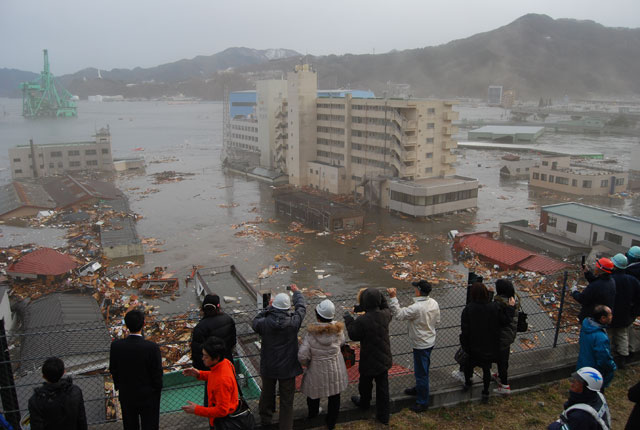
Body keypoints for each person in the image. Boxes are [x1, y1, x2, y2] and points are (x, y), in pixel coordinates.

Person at [252, 285, 306, 430]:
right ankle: (286, 426)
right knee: (287, 401)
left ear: (274, 307)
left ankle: (265, 420)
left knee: (267, 395)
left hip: (269, 366)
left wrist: (268, 308)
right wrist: (297, 292)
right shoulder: (294, 323)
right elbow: (301, 308)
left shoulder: (264, 324)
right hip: (288, 368)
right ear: (288, 308)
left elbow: (255, 321)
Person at [387, 280, 440, 413]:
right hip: (430, 340)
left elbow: (399, 315)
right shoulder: (434, 303)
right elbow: (437, 320)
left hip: (420, 344)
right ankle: (419, 388)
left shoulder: (417, 308)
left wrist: (393, 298)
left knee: (421, 372)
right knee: (424, 367)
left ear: (418, 291)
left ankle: (422, 402)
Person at [344, 287, 392, 425]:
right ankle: (383, 416)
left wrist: (348, 319)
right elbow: (385, 305)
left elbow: (353, 334)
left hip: (368, 358)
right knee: (383, 387)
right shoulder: (386, 315)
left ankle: (364, 402)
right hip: (384, 357)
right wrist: (379, 296)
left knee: (365, 384)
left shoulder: (362, 321)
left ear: (365, 302)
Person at [298, 299, 348, 430]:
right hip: (335, 367)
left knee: (313, 393)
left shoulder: (311, 334)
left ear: (317, 315)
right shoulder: (339, 331)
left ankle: (313, 415)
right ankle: (331, 423)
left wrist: (308, 363)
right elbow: (342, 342)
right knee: (335, 394)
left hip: (316, 368)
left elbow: (302, 355)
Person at [460, 282, 514, 403]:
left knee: (468, 365)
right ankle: (485, 392)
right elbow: (505, 321)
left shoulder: (468, 309)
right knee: (486, 369)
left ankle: (468, 383)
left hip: (473, 345)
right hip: (490, 345)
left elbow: (465, 330)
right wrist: (511, 308)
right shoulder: (494, 307)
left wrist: (464, 344)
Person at [109, 309, 163, 430]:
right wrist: (156, 390)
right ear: (144, 324)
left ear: (126, 325)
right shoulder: (152, 347)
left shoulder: (116, 346)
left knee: (130, 425)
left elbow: (113, 369)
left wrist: (120, 386)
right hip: (148, 394)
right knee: (150, 425)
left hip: (127, 393)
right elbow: (157, 373)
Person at [181, 336, 239, 429]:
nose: (203, 358)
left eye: (206, 356)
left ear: (216, 358)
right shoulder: (226, 363)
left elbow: (222, 411)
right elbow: (215, 375)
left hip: (222, 423)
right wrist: (199, 374)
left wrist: (196, 410)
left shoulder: (221, 381)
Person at [191, 294, 237, 404]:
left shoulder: (200, 327)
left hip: (211, 367)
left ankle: (213, 415)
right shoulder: (228, 319)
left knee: (212, 395)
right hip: (227, 362)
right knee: (229, 393)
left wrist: (201, 368)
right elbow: (232, 342)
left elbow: (197, 352)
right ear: (218, 306)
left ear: (203, 308)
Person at [28, 357, 87, 430]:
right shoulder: (75, 392)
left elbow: (36, 426)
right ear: (63, 372)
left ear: (44, 376)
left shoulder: (36, 400)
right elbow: (81, 419)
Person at [608, 253, 640, 367]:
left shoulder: (610, 279)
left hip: (610, 314)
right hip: (626, 314)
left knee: (608, 337)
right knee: (622, 336)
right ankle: (623, 358)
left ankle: (607, 358)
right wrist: (634, 312)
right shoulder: (633, 280)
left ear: (615, 266)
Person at [576, 305, 617, 390]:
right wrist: (612, 367)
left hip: (582, 366)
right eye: (610, 314)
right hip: (594, 374)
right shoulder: (600, 337)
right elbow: (604, 359)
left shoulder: (586, 326)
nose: (612, 316)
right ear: (603, 318)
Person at [492, 279, 518, 395]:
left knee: (501, 360)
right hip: (509, 335)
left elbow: (504, 320)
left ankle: (504, 385)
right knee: (504, 358)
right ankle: (500, 375)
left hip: (501, 335)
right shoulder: (513, 299)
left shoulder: (501, 303)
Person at [571, 258, 616, 323]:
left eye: (596, 266)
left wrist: (574, 292)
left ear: (600, 269)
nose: (595, 267)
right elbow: (597, 281)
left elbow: (582, 298)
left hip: (591, 318)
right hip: (600, 316)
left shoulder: (595, 286)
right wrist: (587, 272)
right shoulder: (610, 281)